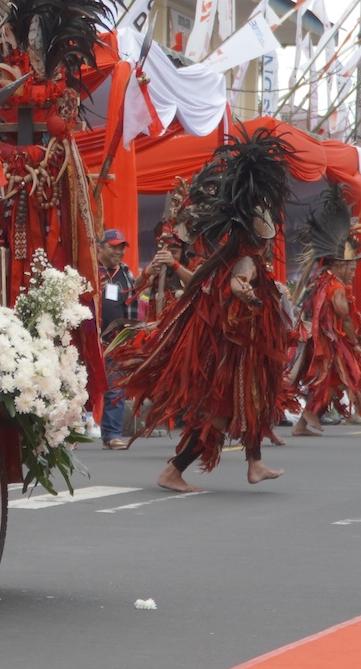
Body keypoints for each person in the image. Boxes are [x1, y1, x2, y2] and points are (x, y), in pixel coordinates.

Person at [118, 128, 294, 492]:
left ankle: (255, 462)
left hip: (239, 348)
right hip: (231, 349)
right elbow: (231, 282)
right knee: (224, 411)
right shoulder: (244, 259)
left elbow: (204, 277)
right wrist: (245, 294)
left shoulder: (228, 257)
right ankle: (174, 471)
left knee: (248, 402)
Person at [290, 185, 361, 437]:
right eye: (350, 268)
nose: (353, 272)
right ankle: (308, 415)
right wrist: (355, 343)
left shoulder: (326, 282)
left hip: (327, 341)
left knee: (334, 382)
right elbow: (345, 317)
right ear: (339, 265)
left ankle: (303, 425)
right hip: (330, 343)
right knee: (332, 381)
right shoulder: (334, 286)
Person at [96, 228, 135, 449]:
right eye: (113, 247)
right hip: (90, 339)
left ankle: (112, 436)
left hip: (115, 340)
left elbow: (132, 307)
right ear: (100, 247)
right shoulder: (88, 269)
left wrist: (129, 337)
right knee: (80, 386)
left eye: (121, 247)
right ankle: (69, 434)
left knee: (116, 388)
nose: (118, 252)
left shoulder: (127, 274)